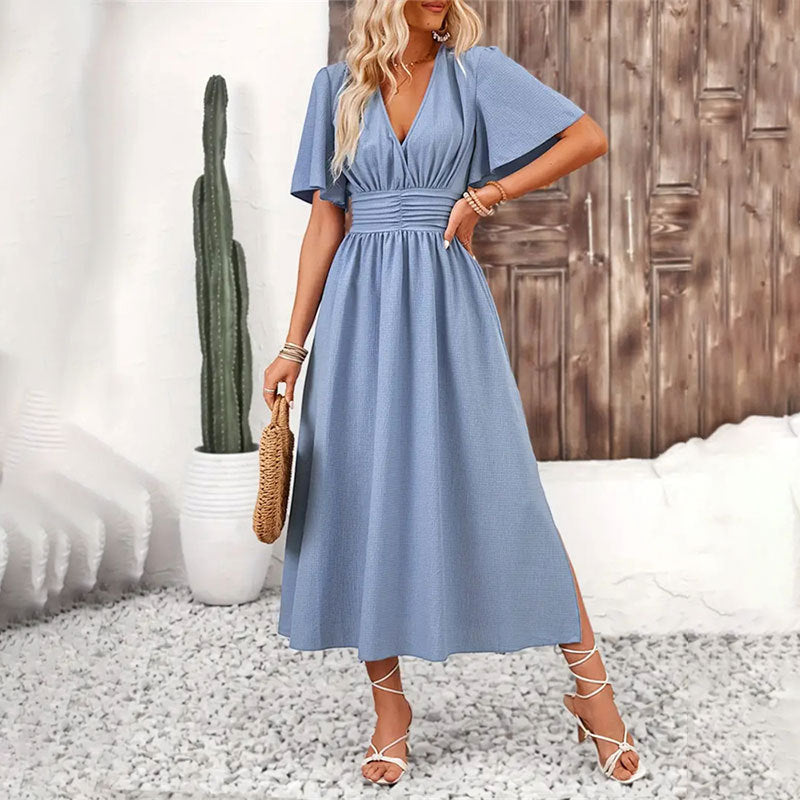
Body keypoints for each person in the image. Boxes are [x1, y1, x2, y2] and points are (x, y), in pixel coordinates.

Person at [263, 0, 646, 787]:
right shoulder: (337, 87)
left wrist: (484, 196)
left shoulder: (476, 73)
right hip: (359, 311)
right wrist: (292, 345)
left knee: (506, 492)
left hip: (445, 304)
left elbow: (587, 137)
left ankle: (593, 694)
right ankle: (390, 711)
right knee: (363, 495)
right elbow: (326, 222)